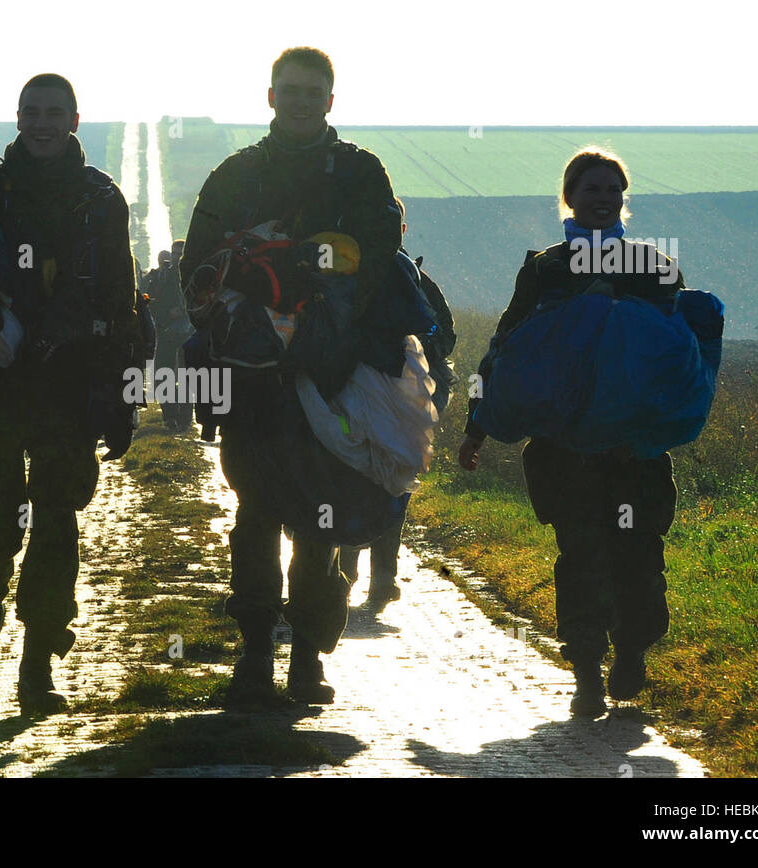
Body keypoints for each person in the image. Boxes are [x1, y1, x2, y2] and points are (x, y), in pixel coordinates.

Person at [180, 47, 405, 705]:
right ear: (270, 97)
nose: (301, 101)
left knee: (318, 520)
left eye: (313, 92)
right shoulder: (235, 175)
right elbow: (197, 268)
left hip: (330, 377)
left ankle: (306, 657)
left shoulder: (360, 174)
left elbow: (378, 263)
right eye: (290, 90)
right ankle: (254, 654)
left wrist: (320, 320)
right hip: (249, 380)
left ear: (330, 101)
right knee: (254, 513)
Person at [0, 73, 141, 716]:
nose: (44, 124)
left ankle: (36, 663)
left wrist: (120, 395)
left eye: (56, 113)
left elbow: (121, 301)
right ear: (18, 117)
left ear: (75, 119)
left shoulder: (101, 203)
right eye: (34, 113)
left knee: (56, 517)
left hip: (68, 389)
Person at [457, 147, 682, 718]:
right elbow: (506, 348)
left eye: (613, 191)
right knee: (581, 556)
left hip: (634, 449)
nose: (603, 200)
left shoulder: (652, 266)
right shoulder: (545, 269)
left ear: (623, 201)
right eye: (592, 190)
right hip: (565, 449)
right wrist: (476, 427)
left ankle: (630, 650)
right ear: (569, 198)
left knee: (638, 556)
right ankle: (586, 671)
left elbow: (678, 352)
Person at [339, 197, 456, 612]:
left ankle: (363, 573)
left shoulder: (408, 279)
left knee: (374, 481)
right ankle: (364, 574)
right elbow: (445, 339)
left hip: (389, 400)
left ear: (401, 231)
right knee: (387, 484)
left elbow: (442, 338)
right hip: (390, 402)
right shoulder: (414, 279)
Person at [144, 241, 193, 431]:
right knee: (164, 376)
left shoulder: (196, 276)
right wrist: (167, 314)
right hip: (166, 332)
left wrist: (184, 310)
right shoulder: (161, 277)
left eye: (181, 254)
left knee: (187, 376)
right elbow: (151, 304)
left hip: (189, 333)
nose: (177, 258)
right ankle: (170, 416)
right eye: (175, 254)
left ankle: (185, 418)